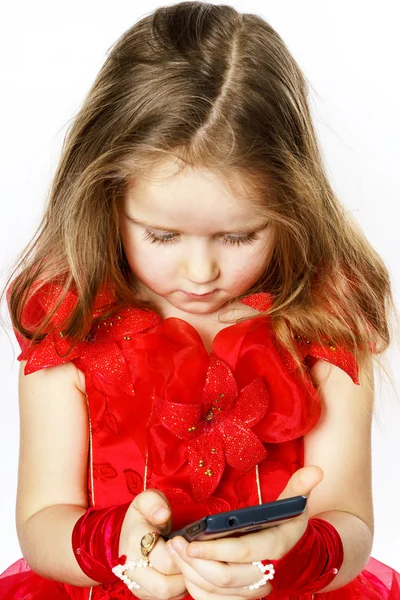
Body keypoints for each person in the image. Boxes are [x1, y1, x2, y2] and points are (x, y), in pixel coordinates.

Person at [0, 1, 399, 598]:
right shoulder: (71, 317)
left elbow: (351, 520)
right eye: (161, 236)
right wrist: (121, 550)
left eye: (239, 236)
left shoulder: (326, 317)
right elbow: (42, 521)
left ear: (291, 207)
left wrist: (287, 556)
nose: (201, 270)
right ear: (106, 200)